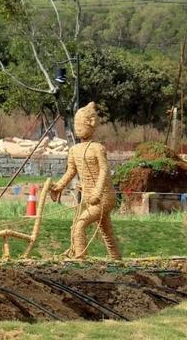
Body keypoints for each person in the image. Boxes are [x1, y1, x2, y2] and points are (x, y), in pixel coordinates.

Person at [50, 102, 122, 260]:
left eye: (81, 124)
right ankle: (117, 259)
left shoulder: (98, 148)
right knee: (106, 231)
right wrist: (58, 187)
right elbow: (70, 171)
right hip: (90, 198)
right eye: (76, 124)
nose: (78, 128)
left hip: (103, 197)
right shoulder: (74, 150)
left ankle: (81, 259)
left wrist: (97, 191)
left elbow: (104, 170)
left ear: (91, 124)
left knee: (79, 225)